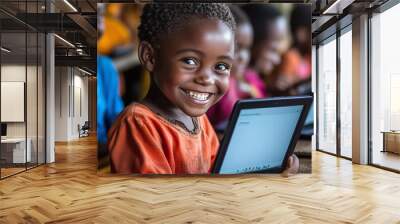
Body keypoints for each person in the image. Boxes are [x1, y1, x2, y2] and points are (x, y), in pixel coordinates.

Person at [107, 3, 299, 174]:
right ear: (150, 57)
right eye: (190, 61)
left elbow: (216, 175)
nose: (207, 78)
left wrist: (269, 173)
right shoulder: (138, 125)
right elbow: (158, 204)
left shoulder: (197, 119)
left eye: (221, 66)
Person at [207, 5, 255, 131]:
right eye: (237, 49)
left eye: (247, 49)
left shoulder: (240, 81)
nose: (243, 57)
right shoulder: (210, 86)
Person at [242, 5, 289, 97]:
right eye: (272, 50)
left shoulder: (257, 81)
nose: (277, 60)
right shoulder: (242, 89)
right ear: (252, 42)